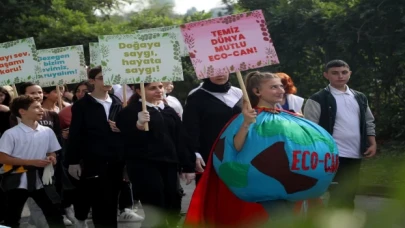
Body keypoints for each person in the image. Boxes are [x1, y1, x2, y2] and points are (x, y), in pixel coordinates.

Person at [116, 82, 196, 228]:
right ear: (139, 91)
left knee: (173, 203)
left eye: (160, 87)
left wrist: (188, 165)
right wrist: (138, 126)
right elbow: (124, 137)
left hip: (169, 164)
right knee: (155, 205)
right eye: (152, 88)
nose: (159, 90)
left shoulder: (168, 110)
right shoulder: (130, 111)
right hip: (144, 165)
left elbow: (181, 138)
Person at [304, 59, 377, 210]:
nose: (340, 76)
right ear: (326, 75)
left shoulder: (360, 97)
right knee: (336, 194)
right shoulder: (317, 99)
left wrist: (372, 142)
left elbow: (369, 121)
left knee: (349, 194)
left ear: (350, 73)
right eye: (335, 73)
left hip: (355, 153)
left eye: (344, 72)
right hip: (331, 154)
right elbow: (310, 128)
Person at [66, 66, 129, 228]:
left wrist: (121, 129)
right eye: (102, 77)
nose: (107, 81)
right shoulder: (82, 105)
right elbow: (75, 134)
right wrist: (73, 161)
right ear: (92, 81)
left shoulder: (117, 102)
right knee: (101, 203)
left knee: (112, 201)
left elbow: (125, 132)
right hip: (94, 161)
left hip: (116, 160)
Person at [0, 95, 64, 228]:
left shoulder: (47, 131)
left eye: (41, 106)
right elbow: (2, 158)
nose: (41, 110)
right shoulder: (11, 134)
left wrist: (52, 157)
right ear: (22, 111)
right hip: (17, 181)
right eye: (36, 107)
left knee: (54, 213)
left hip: (41, 181)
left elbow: (52, 151)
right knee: (11, 217)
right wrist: (31, 162)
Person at [182, 74, 242, 183]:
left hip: (239, 152)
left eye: (224, 69)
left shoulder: (239, 93)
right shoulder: (196, 96)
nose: (220, 74)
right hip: (210, 154)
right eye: (213, 71)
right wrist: (194, 154)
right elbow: (190, 128)